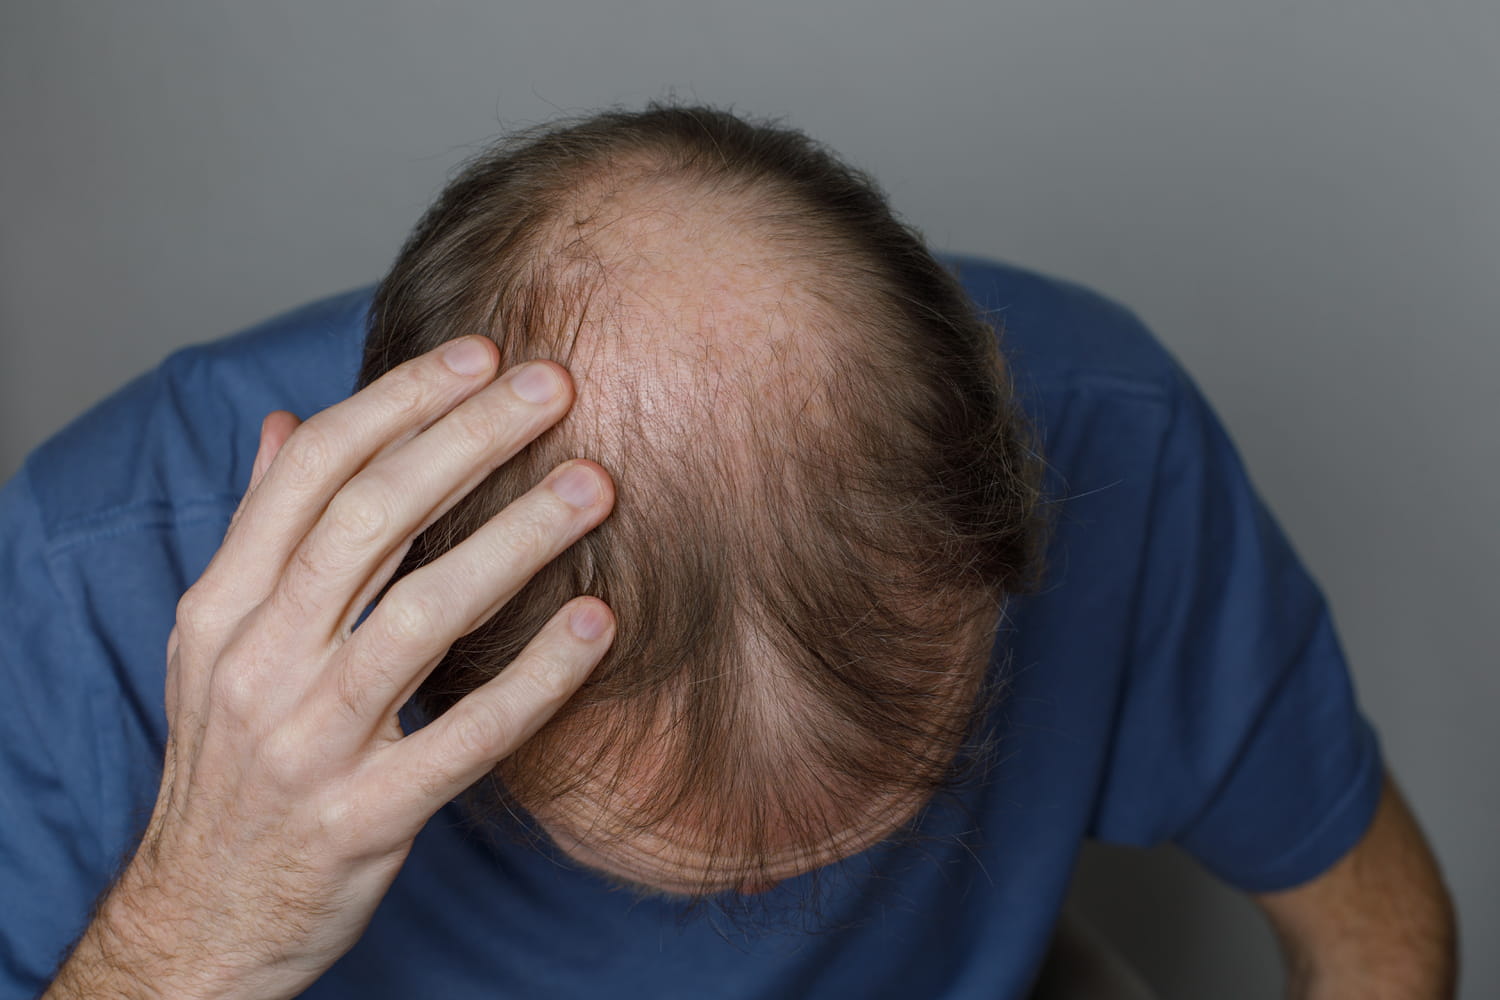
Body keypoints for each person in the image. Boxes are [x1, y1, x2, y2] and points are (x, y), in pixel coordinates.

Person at [1, 105, 1454, 999]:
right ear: (422, 630)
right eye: (670, 867)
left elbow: (1377, 928)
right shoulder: (89, 573)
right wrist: (193, 929)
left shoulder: (1108, 426)